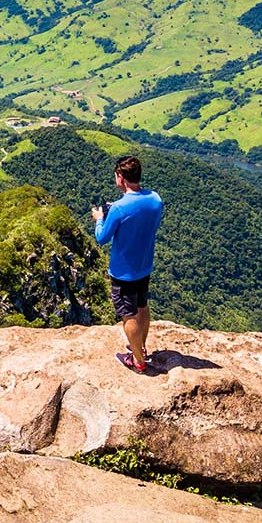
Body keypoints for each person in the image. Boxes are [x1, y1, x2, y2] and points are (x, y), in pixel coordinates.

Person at [92, 155, 163, 374]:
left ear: (121, 178)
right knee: (142, 306)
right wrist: (117, 209)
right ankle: (140, 345)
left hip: (124, 271)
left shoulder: (119, 209)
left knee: (128, 314)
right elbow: (147, 220)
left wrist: (100, 218)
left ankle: (138, 361)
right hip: (144, 264)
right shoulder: (155, 199)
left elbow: (102, 238)